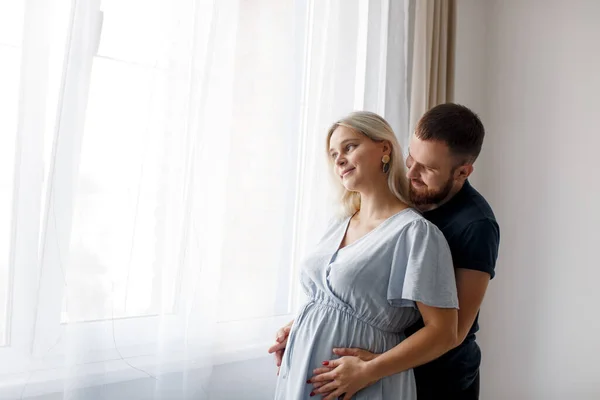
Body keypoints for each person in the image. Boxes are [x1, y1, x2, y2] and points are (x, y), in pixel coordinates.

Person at [305, 103, 500, 399]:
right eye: (411, 158)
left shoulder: (476, 225)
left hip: (441, 377)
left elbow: (454, 332)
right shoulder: (405, 195)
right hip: (385, 363)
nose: (411, 173)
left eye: (428, 168)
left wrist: (376, 365)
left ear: (463, 171)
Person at [268, 111, 460, 400]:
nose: (339, 159)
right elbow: (336, 300)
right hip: (303, 370)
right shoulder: (339, 223)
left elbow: (444, 332)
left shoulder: (415, 233)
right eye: (333, 154)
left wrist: (368, 372)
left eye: (349, 147)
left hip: (363, 384)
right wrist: (299, 326)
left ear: (385, 148)